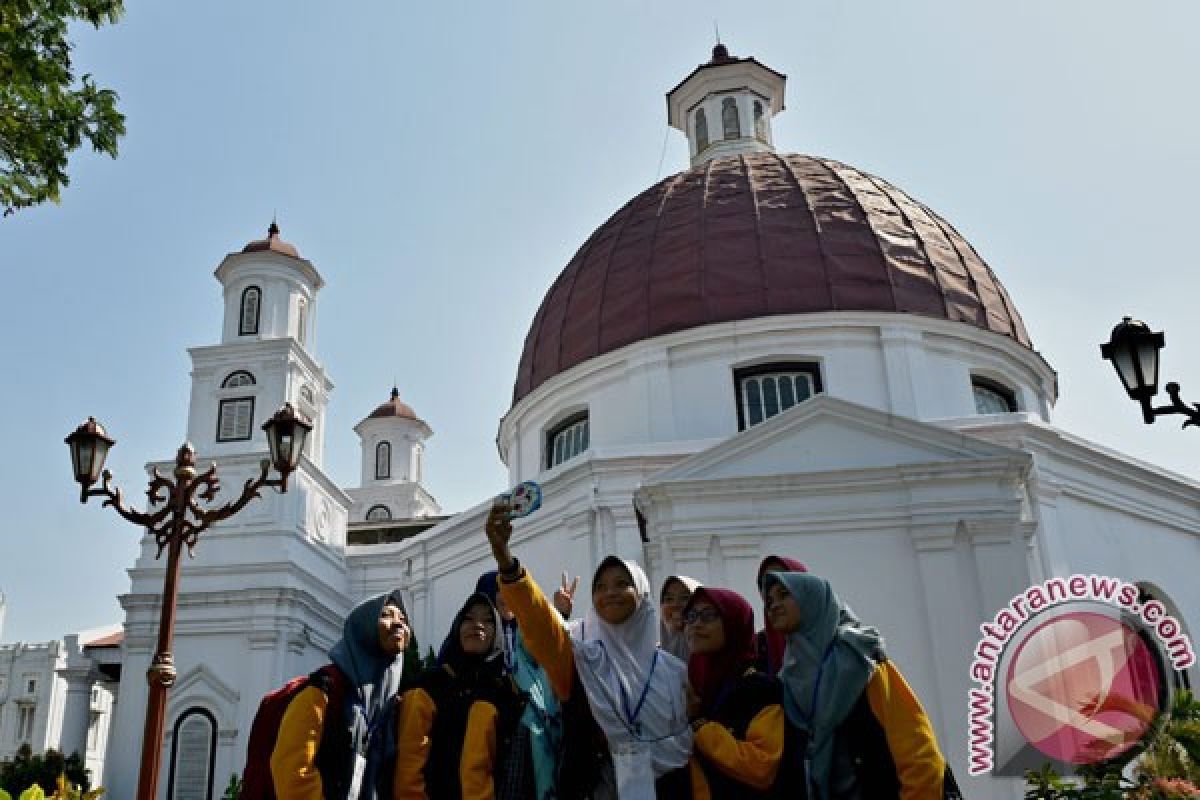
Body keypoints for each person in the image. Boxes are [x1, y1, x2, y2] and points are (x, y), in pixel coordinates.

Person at [484, 502, 693, 800]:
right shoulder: (580, 659)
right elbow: (540, 623)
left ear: (643, 595)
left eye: (623, 584)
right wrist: (506, 561)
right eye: (601, 586)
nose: (610, 592)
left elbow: (687, 738)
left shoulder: (672, 670)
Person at [762, 571, 955, 800]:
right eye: (769, 601)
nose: (774, 605)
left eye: (784, 595)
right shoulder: (786, 681)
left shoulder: (860, 661)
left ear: (811, 599)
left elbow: (918, 752)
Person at [270, 590, 409, 800]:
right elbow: (294, 770)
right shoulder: (324, 689)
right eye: (385, 615)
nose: (399, 624)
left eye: (403, 619)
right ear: (363, 627)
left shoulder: (390, 705)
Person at [394, 591, 525, 799]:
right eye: (469, 619)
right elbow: (409, 768)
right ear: (457, 627)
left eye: (488, 620)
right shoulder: (429, 685)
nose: (478, 625)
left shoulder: (506, 694)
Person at [684, 587, 797, 799]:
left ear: (733, 624)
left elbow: (762, 766)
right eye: (690, 616)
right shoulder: (693, 682)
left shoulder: (759, 688)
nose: (696, 624)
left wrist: (699, 724)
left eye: (708, 615)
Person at [476, 570, 565, 800]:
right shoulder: (475, 640)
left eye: (511, 593)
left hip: (535, 739)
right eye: (501, 592)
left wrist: (559, 614)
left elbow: (549, 646)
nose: (508, 598)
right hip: (498, 747)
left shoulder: (521, 635)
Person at [754, 555, 807, 676]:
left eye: (782, 576)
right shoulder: (758, 646)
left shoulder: (837, 639)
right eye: (765, 582)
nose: (772, 584)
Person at [659, 575, 701, 661]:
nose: (675, 605)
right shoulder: (651, 659)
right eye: (669, 599)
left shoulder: (717, 658)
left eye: (685, 598)